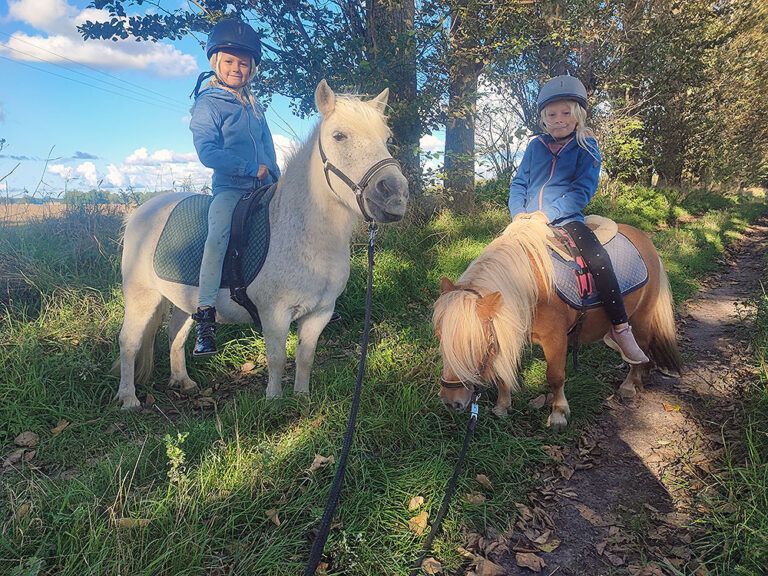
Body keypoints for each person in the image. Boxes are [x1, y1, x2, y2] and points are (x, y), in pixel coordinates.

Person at [508, 74, 649, 364]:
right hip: (525, 222)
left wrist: (545, 215)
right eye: (551, 114)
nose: (558, 119)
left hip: (566, 220)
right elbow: (519, 183)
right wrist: (518, 213)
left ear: (578, 115)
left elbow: (582, 190)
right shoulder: (535, 147)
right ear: (543, 119)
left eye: (565, 113)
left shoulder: (586, 146)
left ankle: (620, 327)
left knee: (598, 259)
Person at [189, 19, 280, 357]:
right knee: (218, 237)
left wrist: (276, 178)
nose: (236, 69)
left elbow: (268, 149)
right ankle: (206, 317)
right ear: (217, 63)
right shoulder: (208, 104)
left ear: (252, 67)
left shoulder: (255, 106)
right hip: (230, 188)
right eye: (229, 61)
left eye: (243, 63)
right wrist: (247, 168)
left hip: (265, 186)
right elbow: (207, 152)